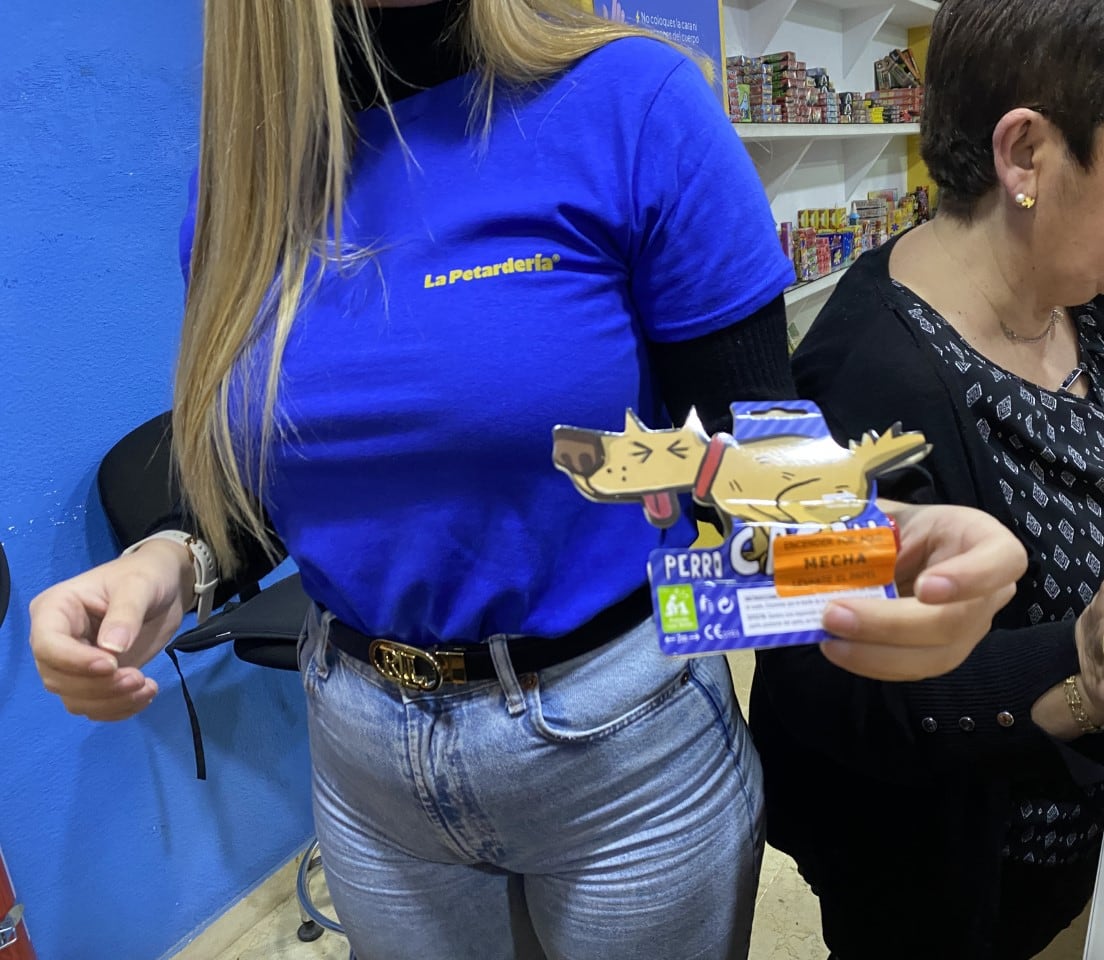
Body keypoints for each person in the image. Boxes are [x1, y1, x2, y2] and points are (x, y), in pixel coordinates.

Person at [26, 2, 1027, 959]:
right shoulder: (243, 177)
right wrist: (175, 559)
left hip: (617, 745)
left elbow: (723, 452)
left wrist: (871, 557)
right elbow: (296, 479)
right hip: (361, 753)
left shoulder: (631, 102)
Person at [750, 0, 1104, 957]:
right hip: (962, 886)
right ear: (1027, 153)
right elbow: (834, 690)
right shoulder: (860, 381)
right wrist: (1078, 657)